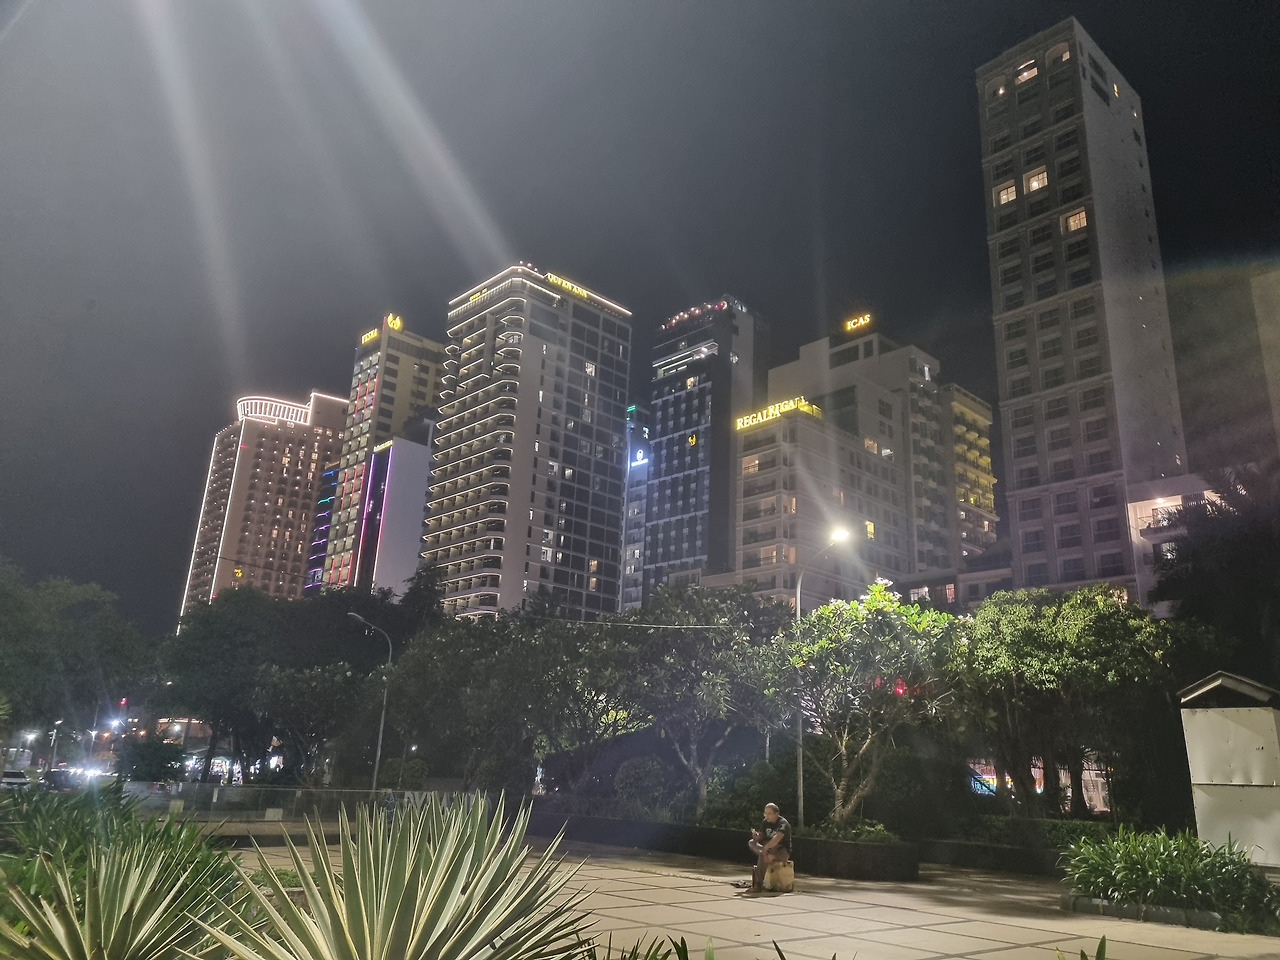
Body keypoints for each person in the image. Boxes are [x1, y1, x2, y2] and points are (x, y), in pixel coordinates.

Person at [733, 802, 791, 892]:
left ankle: (758, 884)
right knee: (752, 843)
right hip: (767, 847)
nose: (767, 816)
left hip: (780, 849)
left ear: (776, 814)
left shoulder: (783, 823)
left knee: (764, 853)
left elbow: (777, 838)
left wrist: (766, 847)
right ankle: (767, 855)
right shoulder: (765, 822)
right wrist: (757, 836)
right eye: (765, 813)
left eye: (769, 814)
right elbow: (762, 836)